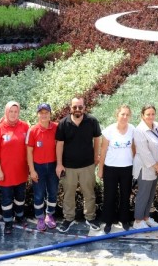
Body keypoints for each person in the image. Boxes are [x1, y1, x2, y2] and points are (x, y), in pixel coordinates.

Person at [55, 96, 102, 233]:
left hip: (87, 165)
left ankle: (90, 217)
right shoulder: (63, 123)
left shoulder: (92, 121)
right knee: (68, 194)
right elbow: (59, 145)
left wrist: (96, 156)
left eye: (80, 107)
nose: (77, 109)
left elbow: (97, 139)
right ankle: (68, 218)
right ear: (70, 108)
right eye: (74, 107)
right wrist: (59, 164)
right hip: (68, 167)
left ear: (84, 108)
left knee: (89, 193)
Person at [0, 101, 31, 235]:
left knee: (20, 197)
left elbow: (29, 147)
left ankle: (20, 217)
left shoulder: (25, 127)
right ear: (6, 112)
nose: (13, 114)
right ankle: (8, 222)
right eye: (11, 111)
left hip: (21, 170)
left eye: (16, 111)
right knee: (7, 199)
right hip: (5, 172)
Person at [98, 105, 136, 234]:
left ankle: (124, 219)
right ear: (117, 115)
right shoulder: (109, 131)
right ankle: (108, 221)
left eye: (127, 115)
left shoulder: (132, 130)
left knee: (125, 195)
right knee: (110, 196)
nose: (124, 117)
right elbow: (103, 151)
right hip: (111, 168)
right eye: (122, 114)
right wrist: (100, 169)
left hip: (127, 168)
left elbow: (134, 149)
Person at [132, 104, 158, 229]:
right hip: (145, 167)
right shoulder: (139, 130)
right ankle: (138, 221)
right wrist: (156, 166)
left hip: (157, 167)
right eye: (148, 114)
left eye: (153, 114)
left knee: (151, 194)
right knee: (143, 194)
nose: (151, 117)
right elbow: (144, 152)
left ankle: (146, 218)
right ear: (142, 116)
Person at [27, 103, 59, 231]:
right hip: (38, 167)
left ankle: (49, 215)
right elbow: (29, 152)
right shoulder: (33, 130)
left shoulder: (57, 128)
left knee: (53, 192)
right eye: (41, 113)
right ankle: (40, 217)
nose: (44, 115)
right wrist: (32, 170)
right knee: (39, 194)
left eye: (46, 113)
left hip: (53, 166)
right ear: (38, 114)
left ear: (50, 114)